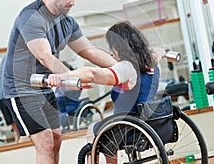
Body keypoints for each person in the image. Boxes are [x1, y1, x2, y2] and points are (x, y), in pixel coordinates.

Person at [2, 0, 116, 164]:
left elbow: (90, 51)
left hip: (45, 87)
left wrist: (123, 66)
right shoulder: (31, 17)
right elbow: (45, 56)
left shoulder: (67, 22)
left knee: (56, 139)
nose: (73, 3)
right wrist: (70, 78)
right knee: (45, 143)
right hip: (20, 90)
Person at [47, 21, 166, 163]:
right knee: (104, 127)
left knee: (93, 129)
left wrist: (62, 76)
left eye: (112, 48)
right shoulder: (152, 61)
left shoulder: (127, 67)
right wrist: (160, 52)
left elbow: (92, 73)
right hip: (148, 120)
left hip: (127, 126)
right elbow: (159, 50)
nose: (110, 53)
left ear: (120, 47)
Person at [0, 55, 30, 143]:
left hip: (0, 98)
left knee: (18, 133)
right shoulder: (16, 55)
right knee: (24, 132)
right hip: (8, 96)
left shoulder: (7, 56)